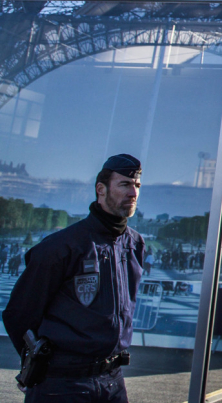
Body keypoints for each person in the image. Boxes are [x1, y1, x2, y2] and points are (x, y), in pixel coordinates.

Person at [3, 154, 145, 403]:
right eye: (124, 184)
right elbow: (19, 313)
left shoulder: (134, 244)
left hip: (113, 382)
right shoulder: (62, 247)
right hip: (63, 384)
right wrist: (32, 365)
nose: (133, 192)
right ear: (101, 189)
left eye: (137, 185)